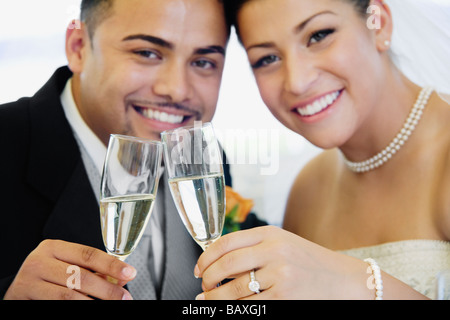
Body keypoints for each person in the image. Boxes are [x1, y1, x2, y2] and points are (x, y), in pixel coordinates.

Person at [194, 0, 450, 300]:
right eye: (267, 59)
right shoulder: (308, 190)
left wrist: (357, 283)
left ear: (378, 23)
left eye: (318, 35)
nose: (298, 82)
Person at [0, 0, 231, 300]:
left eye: (202, 62)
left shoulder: (207, 160)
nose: (177, 90)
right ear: (79, 47)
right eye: (147, 53)